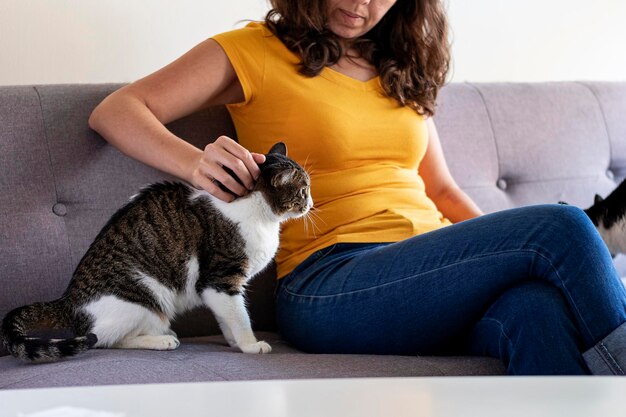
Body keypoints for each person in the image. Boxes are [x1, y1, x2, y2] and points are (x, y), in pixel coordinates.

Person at [88, 0, 626, 375]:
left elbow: (440, 191)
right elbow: (117, 111)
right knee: (563, 226)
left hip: (431, 271)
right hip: (333, 281)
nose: (361, 3)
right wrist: (195, 162)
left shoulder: (402, 71)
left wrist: (494, 250)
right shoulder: (254, 50)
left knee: (536, 311)